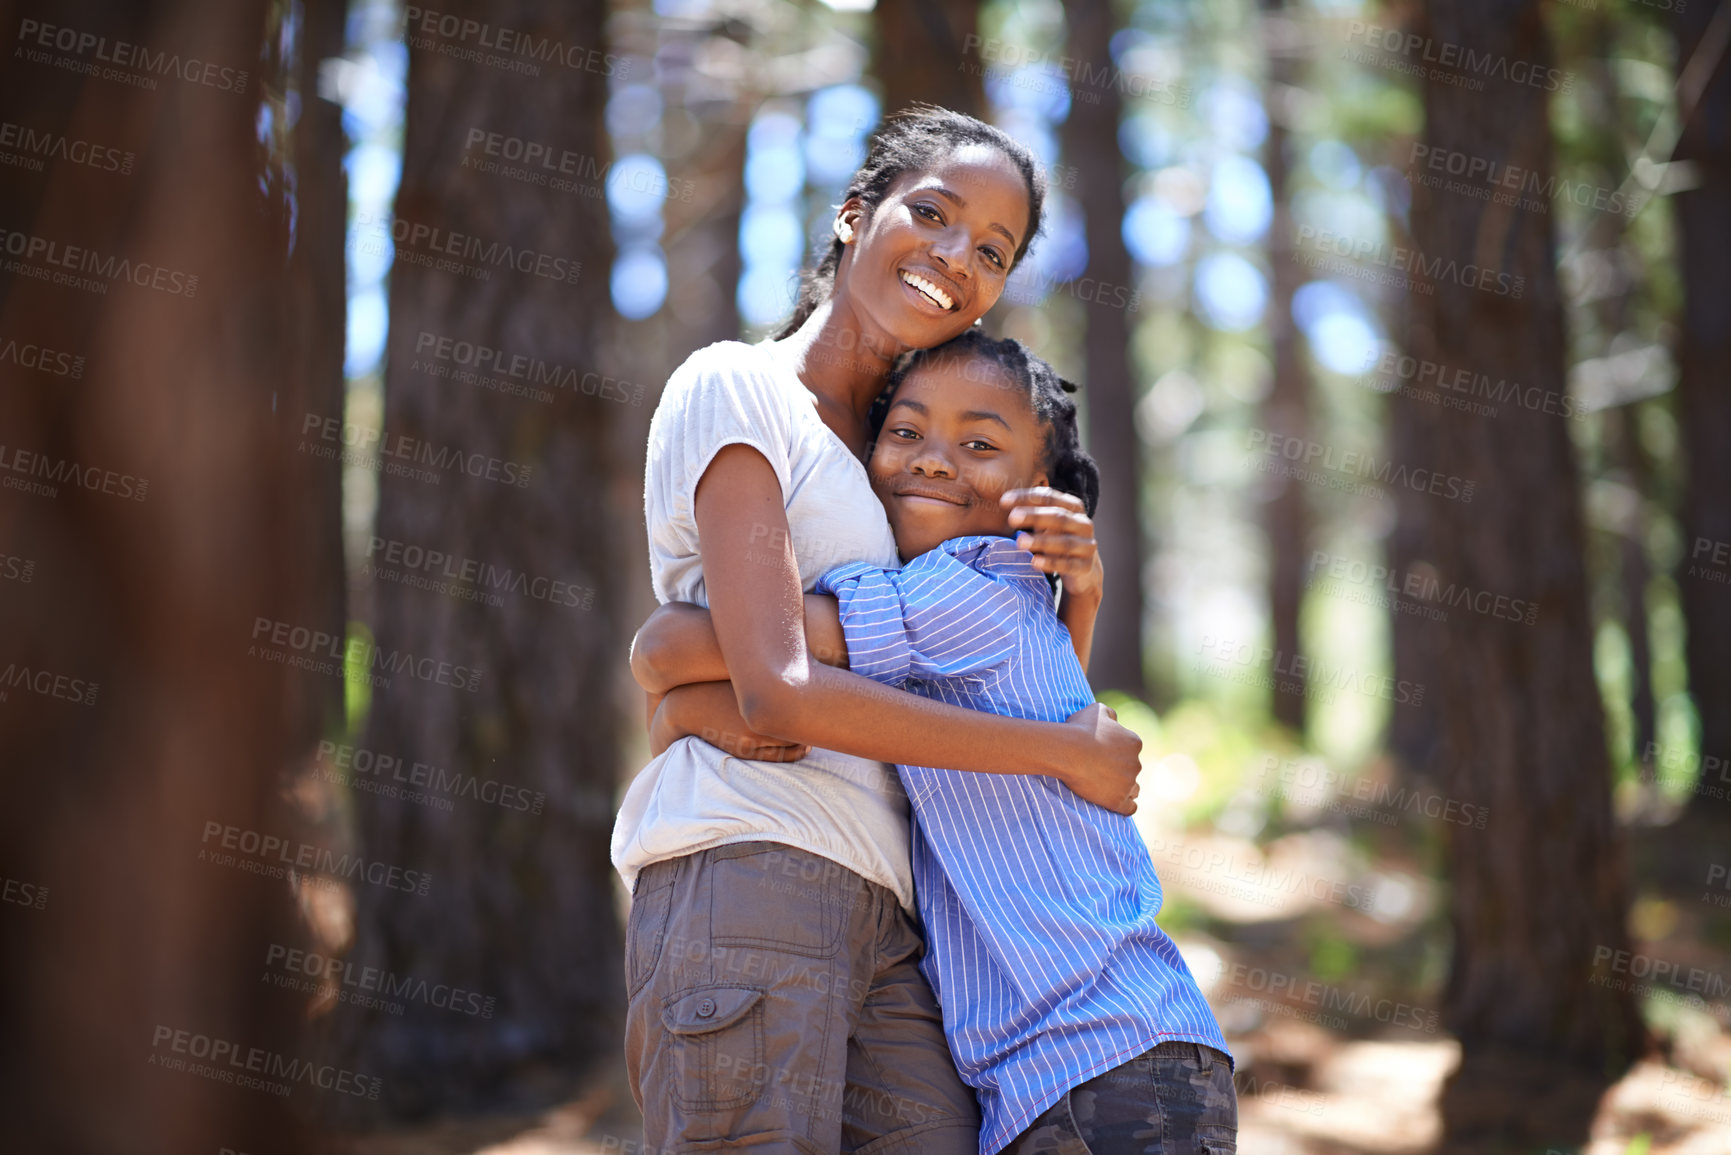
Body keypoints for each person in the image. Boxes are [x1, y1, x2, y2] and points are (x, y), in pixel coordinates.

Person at [612, 106, 1146, 1155]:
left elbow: (950, 694)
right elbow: (782, 690)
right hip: (751, 856)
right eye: (933, 214)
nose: (956, 257)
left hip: (902, 912)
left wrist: (1074, 601)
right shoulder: (742, 388)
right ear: (859, 215)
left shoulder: (915, 463)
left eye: (990, 251)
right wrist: (1066, 752)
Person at [637, 332, 1237, 1155]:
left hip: (1103, 1059)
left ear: (1039, 493)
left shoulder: (968, 589)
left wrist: (671, 700)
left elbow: (675, 647)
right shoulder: (974, 619)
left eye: (979, 444)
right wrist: (678, 718)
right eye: (906, 432)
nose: (932, 460)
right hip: (1069, 1069)